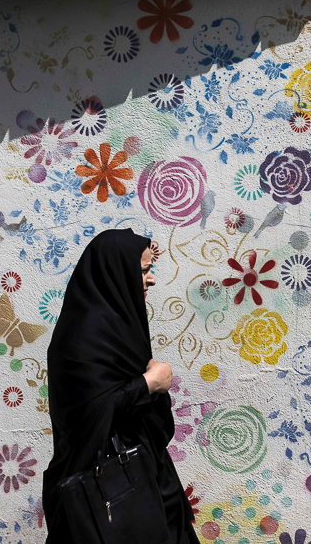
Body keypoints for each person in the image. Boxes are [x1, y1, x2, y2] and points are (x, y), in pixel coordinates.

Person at [42, 228, 199, 544]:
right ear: (115, 273)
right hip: (105, 498)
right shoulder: (80, 340)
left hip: (149, 486)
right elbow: (86, 417)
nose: (151, 279)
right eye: (143, 270)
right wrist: (148, 384)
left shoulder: (118, 328)